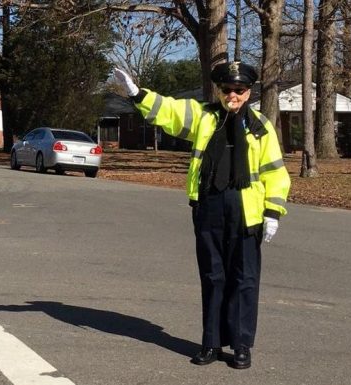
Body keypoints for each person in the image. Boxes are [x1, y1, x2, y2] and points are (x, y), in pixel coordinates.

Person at [113, 62, 291, 369]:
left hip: (245, 211)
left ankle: (240, 345)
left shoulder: (261, 127)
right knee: (212, 276)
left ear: (248, 93)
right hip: (209, 206)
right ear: (220, 91)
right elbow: (170, 111)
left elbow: (275, 172)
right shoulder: (204, 117)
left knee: (244, 278)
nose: (232, 95)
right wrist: (136, 94)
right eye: (227, 90)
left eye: (238, 90)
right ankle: (210, 343)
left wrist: (273, 211)